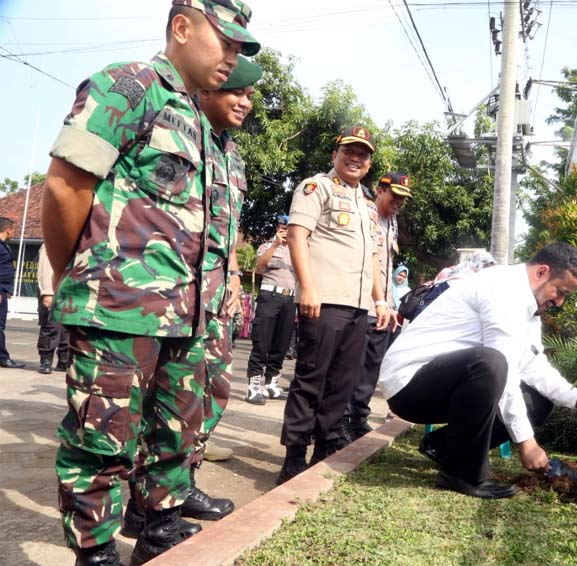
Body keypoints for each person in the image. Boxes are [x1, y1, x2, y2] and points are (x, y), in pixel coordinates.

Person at [43, 2, 259, 564]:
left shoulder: (207, 130)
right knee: (103, 439)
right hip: (119, 304)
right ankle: (94, 552)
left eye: (241, 47)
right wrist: (77, 274)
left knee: (175, 429)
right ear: (182, 28)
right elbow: (67, 187)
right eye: (226, 43)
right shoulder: (129, 87)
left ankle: (159, 526)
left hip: (188, 313)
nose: (232, 57)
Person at [378, 243, 577, 499]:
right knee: (491, 363)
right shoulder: (503, 289)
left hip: (447, 384)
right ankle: (460, 474)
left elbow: (532, 365)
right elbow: (506, 372)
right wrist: (527, 443)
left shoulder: (528, 306)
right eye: (560, 291)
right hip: (409, 384)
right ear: (542, 272)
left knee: (539, 400)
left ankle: (444, 448)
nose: (560, 302)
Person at [276, 125, 390, 484]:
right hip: (323, 301)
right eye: (349, 151)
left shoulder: (368, 206)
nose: (355, 158)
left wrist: (380, 299)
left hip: (359, 308)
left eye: (363, 154)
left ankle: (325, 450)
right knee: (310, 379)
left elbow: (373, 256)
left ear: (369, 163)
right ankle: (294, 455)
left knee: (342, 383)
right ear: (335, 155)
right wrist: (306, 288)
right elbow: (297, 236)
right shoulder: (316, 187)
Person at [341, 172, 412, 444]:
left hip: (382, 307)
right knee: (354, 366)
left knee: (371, 366)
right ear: (380, 190)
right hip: (362, 302)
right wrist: (378, 301)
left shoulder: (391, 222)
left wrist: (390, 304)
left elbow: (387, 267)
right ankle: (344, 420)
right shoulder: (366, 213)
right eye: (395, 196)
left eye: (403, 199)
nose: (398, 202)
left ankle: (358, 417)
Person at [245, 214, 297, 404]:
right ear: (277, 228)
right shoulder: (267, 246)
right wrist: (275, 245)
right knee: (262, 341)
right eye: (282, 227)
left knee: (282, 343)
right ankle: (253, 386)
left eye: (289, 227)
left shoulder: (298, 250)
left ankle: (272, 383)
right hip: (270, 296)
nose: (285, 230)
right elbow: (259, 267)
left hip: (290, 298)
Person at [36, 243, 69, 374]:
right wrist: (48, 292)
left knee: (67, 327)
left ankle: (64, 361)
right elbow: (46, 268)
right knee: (51, 326)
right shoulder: (52, 242)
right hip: (52, 289)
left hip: (68, 289)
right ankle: (46, 360)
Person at [0, 217, 24, 369]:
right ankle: (3, 358)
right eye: (12, 229)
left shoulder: (3, 246)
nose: (13, 232)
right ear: (8, 229)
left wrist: (6, 289)